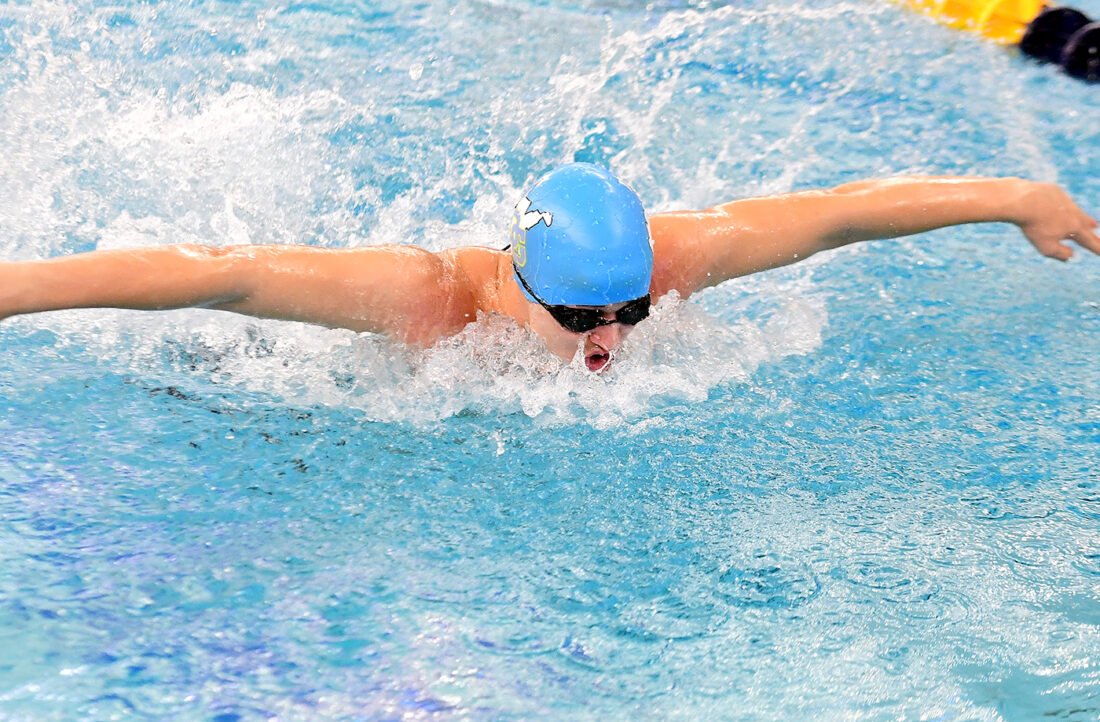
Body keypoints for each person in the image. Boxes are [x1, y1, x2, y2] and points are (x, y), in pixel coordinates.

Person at [2, 163, 1097, 372]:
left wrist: (1016, 197)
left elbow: (829, 218)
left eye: (626, 310)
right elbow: (219, 274)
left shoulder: (672, 260)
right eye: (581, 319)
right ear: (517, 284)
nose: (613, 338)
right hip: (245, 373)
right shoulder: (424, 299)